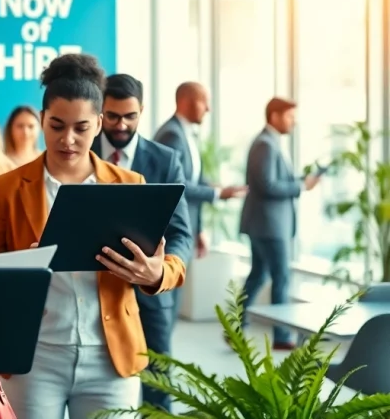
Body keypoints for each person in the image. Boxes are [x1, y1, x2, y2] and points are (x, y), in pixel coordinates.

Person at [0, 54, 187, 419]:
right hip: (34, 354)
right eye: (57, 125)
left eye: (80, 127)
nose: (68, 139)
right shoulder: (8, 188)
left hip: (111, 356)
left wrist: (156, 274)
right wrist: (19, 268)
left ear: (98, 123)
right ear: (42, 119)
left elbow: (172, 259)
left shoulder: (129, 184)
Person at [91, 73, 193, 412]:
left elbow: (181, 233)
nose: (121, 125)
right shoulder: (79, 152)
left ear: (142, 111)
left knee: (160, 389)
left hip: (151, 297)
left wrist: (159, 272)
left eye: (130, 116)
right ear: (100, 111)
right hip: (91, 293)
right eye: (113, 115)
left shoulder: (165, 161)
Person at [239, 97, 320, 349]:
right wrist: (300, 186)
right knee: (280, 278)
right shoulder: (265, 144)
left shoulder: (270, 142)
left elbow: (271, 180)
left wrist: (300, 180)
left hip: (267, 224)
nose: (293, 122)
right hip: (269, 226)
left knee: (258, 276)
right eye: (289, 117)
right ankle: (282, 337)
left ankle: (234, 326)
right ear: (274, 116)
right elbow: (266, 185)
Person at [154, 82, 246, 260]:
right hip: (171, 230)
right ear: (186, 102)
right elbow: (176, 186)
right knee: (168, 286)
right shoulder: (171, 135)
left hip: (185, 226)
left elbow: (193, 179)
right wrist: (217, 193)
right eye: (204, 102)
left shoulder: (186, 133)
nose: (208, 109)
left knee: (177, 284)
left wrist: (198, 228)